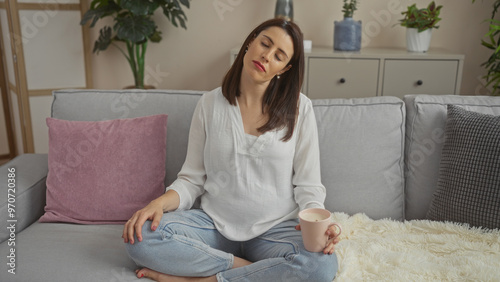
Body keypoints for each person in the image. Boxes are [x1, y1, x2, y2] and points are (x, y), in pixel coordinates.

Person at [123, 18, 340, 282]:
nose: (266, 56)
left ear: (285, 68)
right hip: (213, 227)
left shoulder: (300, 109)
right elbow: (192, 181)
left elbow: (309, 186)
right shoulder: (209, 104)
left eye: (279, 55)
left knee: (321, 267)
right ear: (251, 41)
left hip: (275, 231)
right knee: (140, 237)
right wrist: (157, 203)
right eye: (265, 43)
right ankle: (248, 268)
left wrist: (321, 225)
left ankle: (207, 280)